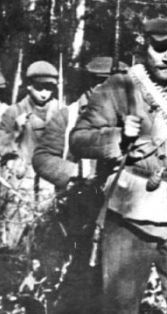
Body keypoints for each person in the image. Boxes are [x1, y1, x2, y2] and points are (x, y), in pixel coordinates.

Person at [69, 17, 167, 314]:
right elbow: (79, 139)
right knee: (120, 306)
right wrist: (118, 137)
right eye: (160, 48)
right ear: (145, 48)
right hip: (131, 212)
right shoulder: (121, 85)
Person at [32, 56, 128, 314]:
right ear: (90, 84)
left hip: (119, 210)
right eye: (101, 83)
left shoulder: (128, 117)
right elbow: (42, 157)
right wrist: (75, 172)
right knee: (76, 277)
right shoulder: (69, 115)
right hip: (77, 208)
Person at [0, 60, 60, 296]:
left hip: (49, 185)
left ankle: (42, 288)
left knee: (47, 237)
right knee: (13, 239)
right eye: (39, 87)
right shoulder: (14, 112)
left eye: (49, 88)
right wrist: (16, 134)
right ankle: (8, 291)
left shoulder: (60, 111)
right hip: (19, 188)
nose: (44, 93)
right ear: (29, 86)